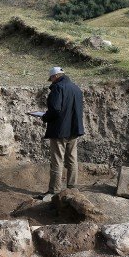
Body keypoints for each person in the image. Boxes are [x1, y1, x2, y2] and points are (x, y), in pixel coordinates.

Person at [40, 67, 84, 196]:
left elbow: (55, 109)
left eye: (51, 79)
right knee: (72, 159)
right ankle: (72, 188)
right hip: (74, 130)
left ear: (55, 76)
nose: (51, 82)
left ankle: (54, 191)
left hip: (59, 131)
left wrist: (44, 117)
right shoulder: (76, 88)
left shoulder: (58, 88)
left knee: (57, 160)